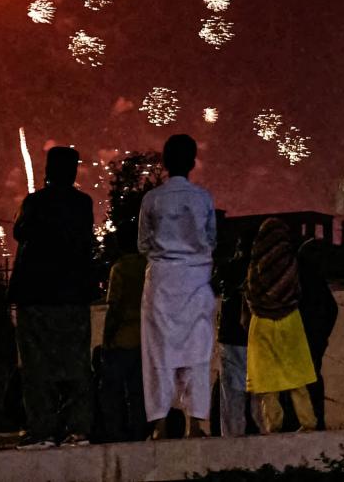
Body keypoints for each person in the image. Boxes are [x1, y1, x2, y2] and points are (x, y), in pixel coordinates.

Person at [8, 145, 95, 449]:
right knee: (76, 362)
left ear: (47, 171)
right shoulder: (83, 204)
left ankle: (42, 429)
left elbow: (19, 232)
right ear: (73, 172)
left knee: (36, 366)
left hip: (37, 295)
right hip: (73, 295)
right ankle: (78, 428)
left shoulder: (35, 202)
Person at [139, 134, 218, 438]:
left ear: (165, 162)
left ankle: (159, 424)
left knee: (158, 355)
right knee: (197, 354)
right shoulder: (203, 199)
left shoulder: (152, 200)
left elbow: (143, 243)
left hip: (160, 283)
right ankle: (196, 423)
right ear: (192, 162)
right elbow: (211, 239)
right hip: (197, 282)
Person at [245, 217, 320, 432]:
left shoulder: (254, 261)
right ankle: (308, 422)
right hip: (290, 322)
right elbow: (296, 290)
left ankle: (273, 425)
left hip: (262, 323)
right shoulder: (291, 261)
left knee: (267, 381)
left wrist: (264, 305)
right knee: (296, 376)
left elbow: (250, 293)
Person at [97, 224, 148, 442]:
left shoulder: (119, 268)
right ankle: (139, 431)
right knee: (138, 391)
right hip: (145, 337)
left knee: (111, 390)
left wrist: (107, 338)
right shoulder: (147, 265)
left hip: (122, 339)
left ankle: (116, 432)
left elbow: (115, 307)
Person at [297, 237, 340, 430]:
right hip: (313, 338)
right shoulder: (316, 283)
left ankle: (308, 421)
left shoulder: (304, 282)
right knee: (311, 378)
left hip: (306, 338)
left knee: (304, 380)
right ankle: (314, 420)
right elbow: (331, 309)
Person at [215, 235, 254, 436]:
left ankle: (232, 439)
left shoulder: (227, 269)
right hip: (256, 338)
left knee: (232, 396)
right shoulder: (261, 270)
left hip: (230, 337)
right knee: (259, 395)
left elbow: (214, 284)